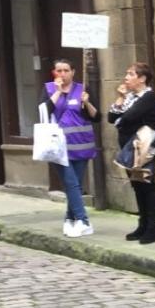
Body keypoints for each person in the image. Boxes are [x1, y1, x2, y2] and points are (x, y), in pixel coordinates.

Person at [43, 58, 100, 238]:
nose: (62, 74)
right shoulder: (49, 89)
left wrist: (87, 102)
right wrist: (58, 93)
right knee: (71, 183)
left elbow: (96, 116)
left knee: (74, 184)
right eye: (58, 71)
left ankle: (70, 218)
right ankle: (84, 221)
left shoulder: (83, 89)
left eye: (66, 70)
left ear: (73, 72)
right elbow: (44, 110)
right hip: (59, 148)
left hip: (81, 145)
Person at [108, 62, 155, 244]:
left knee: (147, 184)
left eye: (131, 74)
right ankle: (142, 224)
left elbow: (127, 119)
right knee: (137, 186)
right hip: (128, 148)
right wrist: (120, 98)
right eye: (127, 73)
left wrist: (121, 118)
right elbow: (111, 118)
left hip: (143, 147)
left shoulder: (148, 97)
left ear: (142, 78)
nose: (126, 77)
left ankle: (153, 228)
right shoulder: (130, 97)